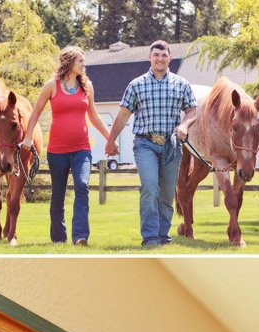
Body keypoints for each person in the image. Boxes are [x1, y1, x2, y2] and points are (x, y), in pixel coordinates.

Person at [105, 40, 197, 246]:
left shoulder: (181, 84)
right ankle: (149, 237)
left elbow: (192, 111)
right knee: (149, 187)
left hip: (171, 146)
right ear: (150, 57)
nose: (160, 59)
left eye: (164, 55)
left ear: (169, 59)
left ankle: (162, 236)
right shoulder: (136, 84)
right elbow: (123, 115)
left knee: (166, 193)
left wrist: (184, 125)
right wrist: (111, 140)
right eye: (156, 55)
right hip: (145, 144)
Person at [21, 46, 111, 246]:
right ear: (69, 62)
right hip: (57, 150)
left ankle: (80, 236)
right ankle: (59, 238)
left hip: (81, 149)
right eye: (80, 60)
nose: (84, 64)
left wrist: (109, 138)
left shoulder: (87, 86)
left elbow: (93, 115)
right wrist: (27, 138)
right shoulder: (51, 86)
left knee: (82, 185)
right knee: (58, 194)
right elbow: (35, 113)